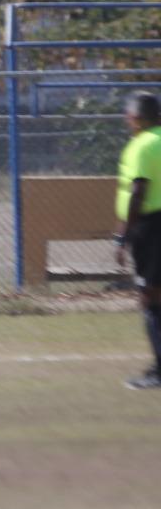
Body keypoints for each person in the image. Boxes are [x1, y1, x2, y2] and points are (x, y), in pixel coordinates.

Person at [115, 92, 161, 390]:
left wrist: (123, 236)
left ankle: (159, 371)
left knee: (150, 298)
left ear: (137, 117)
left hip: (152, 227)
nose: (126, 119)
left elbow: (138, 191)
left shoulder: (142, 145)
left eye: (128, 114)